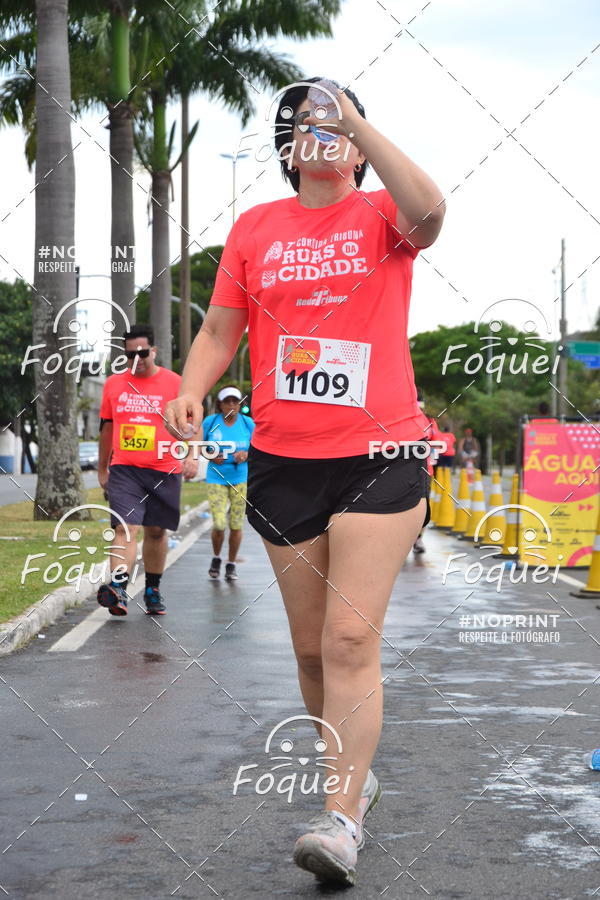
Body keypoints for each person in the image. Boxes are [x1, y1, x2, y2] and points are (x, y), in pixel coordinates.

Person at [166, 76, 445, 886]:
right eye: (303, 128)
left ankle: (342, 816)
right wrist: (191, 385)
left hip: (381, 453)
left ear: (357, 141)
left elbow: (430, 209)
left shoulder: (383, 216)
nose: (320, 137)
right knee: (310, 645)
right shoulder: (256, 229)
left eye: (335, 126)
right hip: (285, 459)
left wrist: (360, 121)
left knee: (351, 638)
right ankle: (350, 770)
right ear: (286, 149)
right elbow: (223, 327)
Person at [96, 324, 197, 617]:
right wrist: (103, 467)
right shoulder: (114, 384)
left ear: (153, 350)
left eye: (142, 353)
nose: (137, 359)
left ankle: (152, 588)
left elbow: (191, 423)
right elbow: (107, 427)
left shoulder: (175, 383)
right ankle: (118, 589)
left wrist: (191, 455)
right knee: (125, 528)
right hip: (125, 469)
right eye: (130, 355)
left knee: (155, 531)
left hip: (165, 469)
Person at [203, 385, 255, 581]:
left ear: (240, 404)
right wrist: (209, 453)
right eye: (227, 401)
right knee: (219, 523)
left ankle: (231, 564)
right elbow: (198, 444)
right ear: (220, 404)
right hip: (216, 477)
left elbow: (260, 447)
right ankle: (216, 557)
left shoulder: (247, 423)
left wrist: (247, 454)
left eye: (235, 401)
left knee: (235, 524)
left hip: (240, 479)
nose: (231, 405)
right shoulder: (211, 422)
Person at [412, 390, 439, 554]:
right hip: (399, 471)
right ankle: (405, 539)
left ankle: (418, 539)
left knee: (422, 506)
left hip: (424, 471)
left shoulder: (429, 421)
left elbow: (437, 444)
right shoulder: (397, 419)